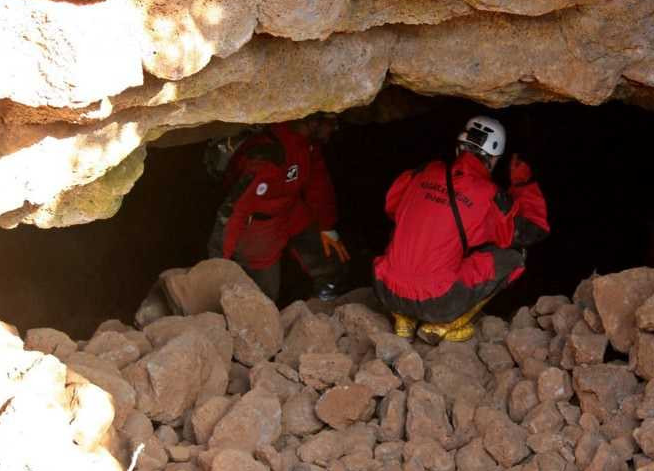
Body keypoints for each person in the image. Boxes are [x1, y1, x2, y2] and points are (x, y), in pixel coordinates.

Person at [373, 115, 549, 342]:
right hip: (438, 301)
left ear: (459, 147)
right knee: (513, 256)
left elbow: (391, 208)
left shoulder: (423, 171)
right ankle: (442, 325)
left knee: (409, 229)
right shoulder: (488, 195)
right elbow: (534, 230)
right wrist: (522, 183)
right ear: (494, 159)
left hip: (385, 289)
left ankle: (403, 319)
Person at [207, 113, 349, 302]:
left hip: (290, 209)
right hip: (257, 226)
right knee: (263, 296)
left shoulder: (308, 143)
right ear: (312, 121)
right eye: (331, 123)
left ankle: (328, 303)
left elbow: (318, 182)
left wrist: (326, 225)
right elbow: (235, 210)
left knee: (330, 257)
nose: (335, 128)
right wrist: (218, 261)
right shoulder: (267, 157)